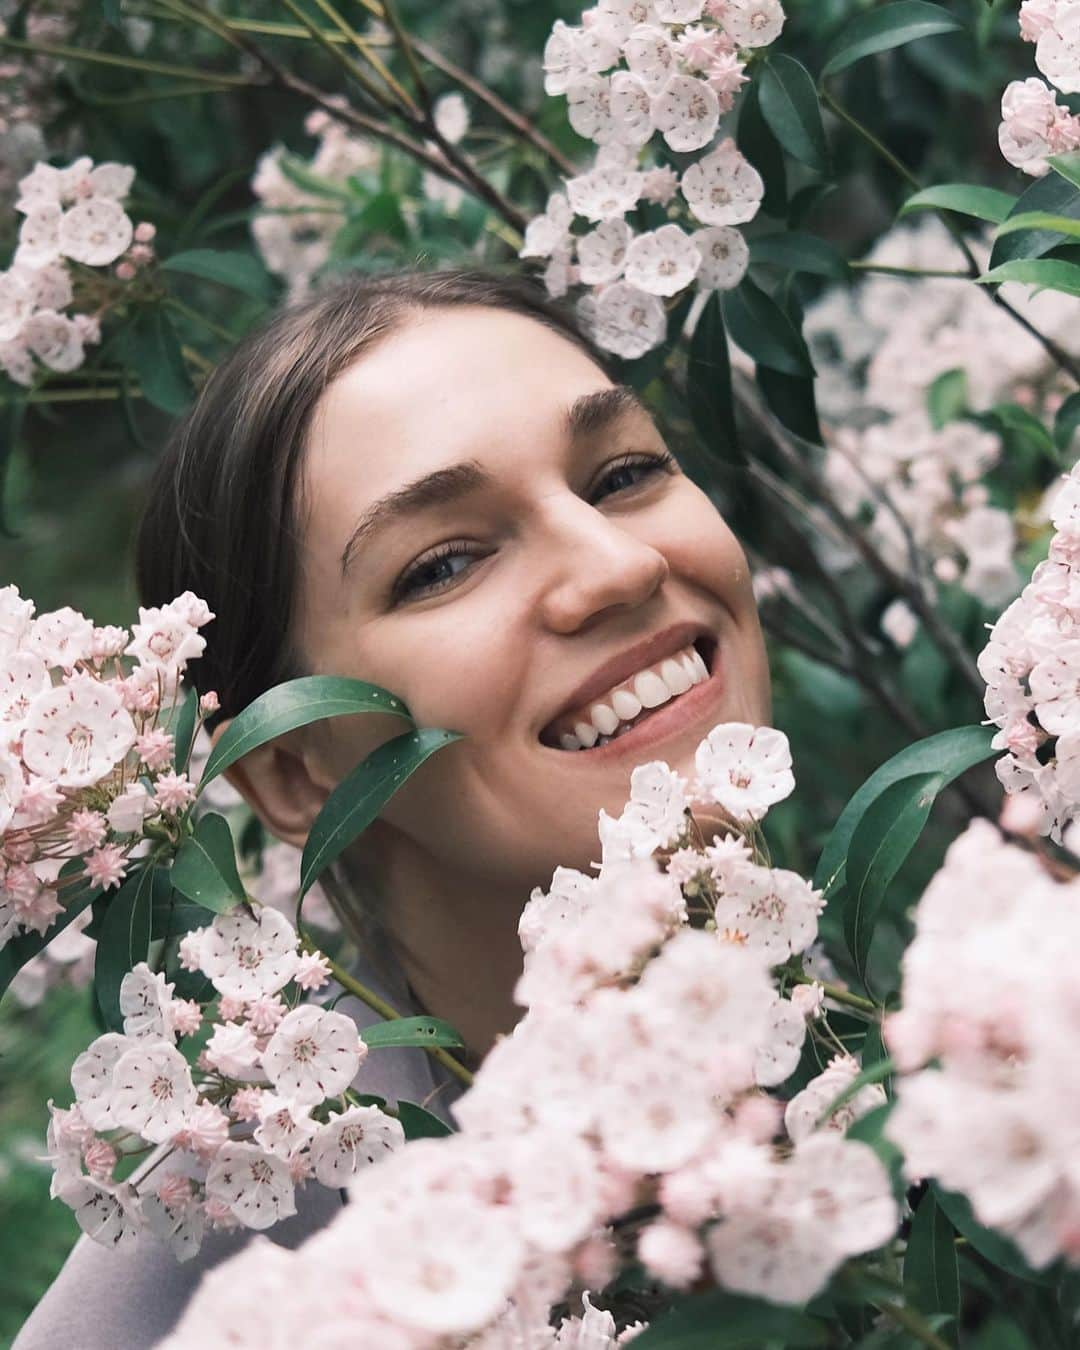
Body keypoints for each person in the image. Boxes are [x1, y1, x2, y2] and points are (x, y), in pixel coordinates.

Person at [14, 266, 771, 1348]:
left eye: (623, 474)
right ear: (289, 770)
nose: (618, 564)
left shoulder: (902, 1019)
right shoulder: (225, 1272)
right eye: (445, 564)